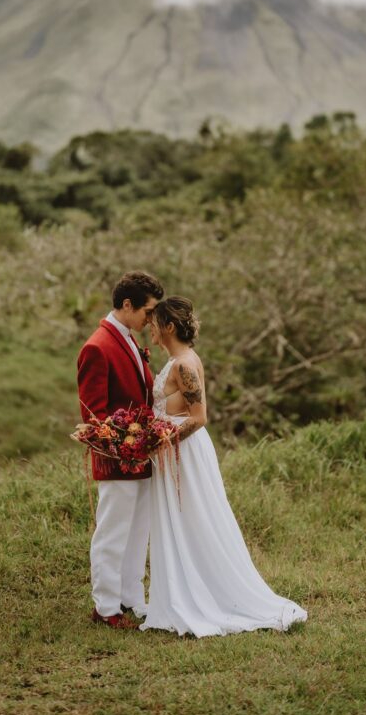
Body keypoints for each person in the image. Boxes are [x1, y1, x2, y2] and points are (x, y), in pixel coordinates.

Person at [140, 296, 308, 637]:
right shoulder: (177, 360)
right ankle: (180, 592)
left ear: (169, 327)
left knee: (196, 520)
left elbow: (199, 418)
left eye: (154, 322)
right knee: (182, 524)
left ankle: (207, 598)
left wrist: (160, 440)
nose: (151, 329)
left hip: (183, 451)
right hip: (175, 450)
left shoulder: (184, 364)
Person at [77, 270, 164, 629]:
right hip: (118, 460)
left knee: (137, 532)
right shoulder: (97, 346)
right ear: (127, 305)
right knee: (113, 533)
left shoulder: (127, 338)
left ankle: (130, 597)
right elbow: (93, 414)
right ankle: (106, 607)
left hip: (141, 456)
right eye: (148, 311)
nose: (150, 319)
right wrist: (124, 445)